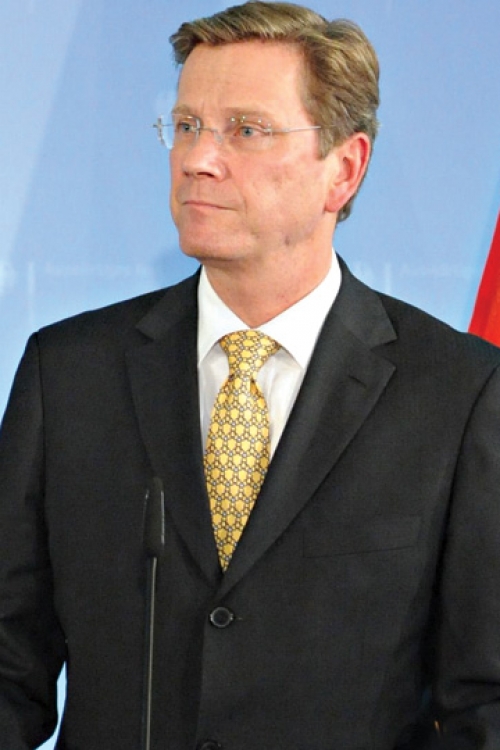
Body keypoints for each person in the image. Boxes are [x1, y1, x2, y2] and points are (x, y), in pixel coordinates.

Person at [1, 1, 500, 748]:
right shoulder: (68, 373)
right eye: (186, 125)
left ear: (344, 168)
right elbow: (8, 663)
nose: (197, 158)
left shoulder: (458, 392)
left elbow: (484, 702)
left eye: (245, 130)